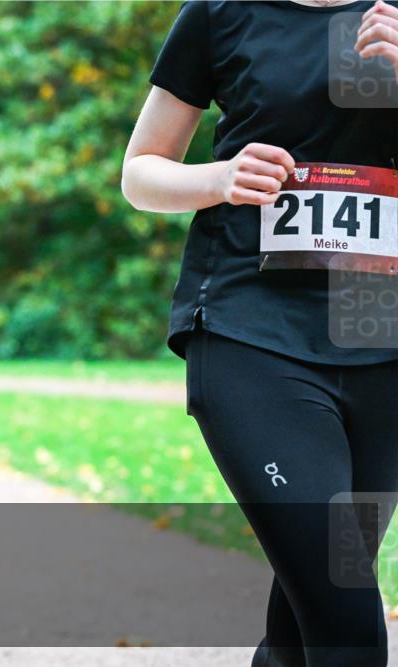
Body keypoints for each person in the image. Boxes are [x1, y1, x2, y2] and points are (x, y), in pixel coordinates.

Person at [122, 2, 398, 666]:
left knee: (300, 632)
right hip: (251, 331)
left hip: (382, 342)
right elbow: (141, 172)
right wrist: (221, 178)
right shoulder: (220, 14)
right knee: (348, 625)